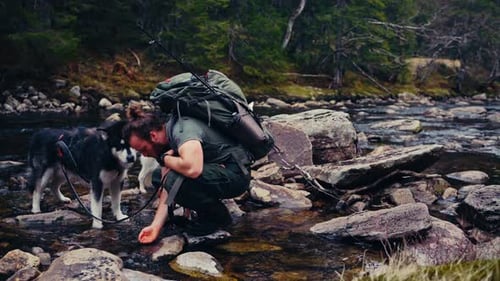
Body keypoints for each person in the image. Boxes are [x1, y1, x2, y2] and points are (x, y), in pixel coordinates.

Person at [123, 104, 252, 243]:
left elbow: (193, 169)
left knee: (176, 178)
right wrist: (155, 226)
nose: (145, 155)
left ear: (153, 135)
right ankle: (204, 212)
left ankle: (217, 217)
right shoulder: (167, 140)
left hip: (236, 176)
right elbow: (167, 187)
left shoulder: (183, 131)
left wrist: (164, 159)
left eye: (143, 149)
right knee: (158, 176)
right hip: (218, 173)